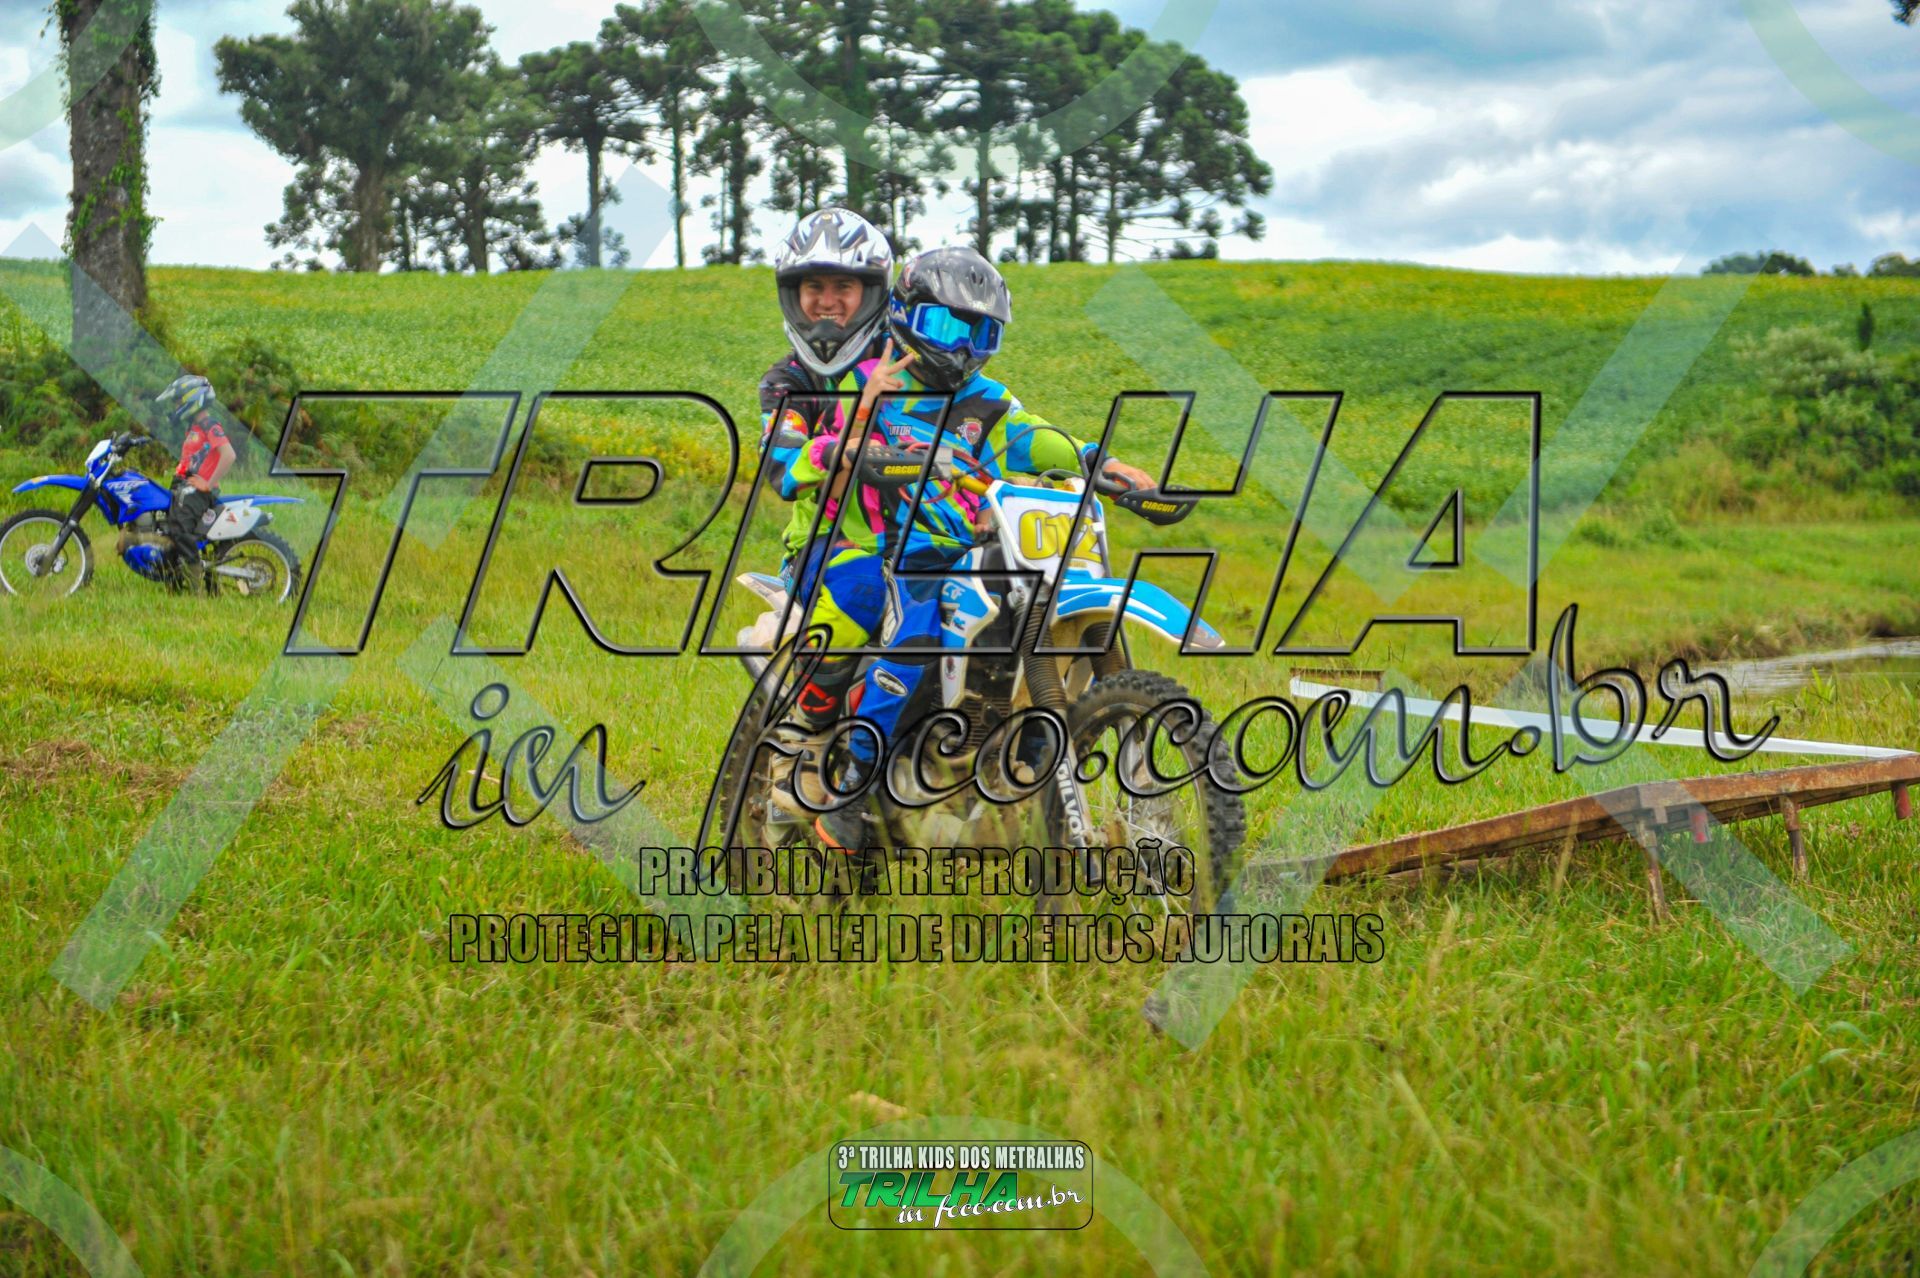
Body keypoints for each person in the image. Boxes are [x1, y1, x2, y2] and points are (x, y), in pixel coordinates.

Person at [793, 246, 1156, 853]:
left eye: (980, 332)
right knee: (915, 630)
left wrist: (1103, 463)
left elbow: (1040, 439)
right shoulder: (867, 379)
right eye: (945, 325)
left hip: (957, 546)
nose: (961, 346)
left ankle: (1024, 764)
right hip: (877, 546)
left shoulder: (988, 399)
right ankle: (856, 785)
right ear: (906, 315)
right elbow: (819, 450)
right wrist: (854, 442)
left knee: (1021, 617)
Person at [755, 207, 896, 738]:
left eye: (844, 286)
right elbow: (782, 465)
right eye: (813, 286)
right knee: (862, 587)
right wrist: (835, 449)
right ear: (794, 295)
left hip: (919, 534)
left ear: (872, 293)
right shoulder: (789, 381)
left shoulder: (906, 364)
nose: (827, 300)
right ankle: (809, 734)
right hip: (826, 544)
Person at [152, 373, 237, 590]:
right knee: (167, 529)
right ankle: (174, 582)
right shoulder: (194, 426)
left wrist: (208, 483)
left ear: (192, 399)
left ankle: (195, 584)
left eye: (178, 401)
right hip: (185, 487)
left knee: (179, 530)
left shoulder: (210, 425)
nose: (176, 406)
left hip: (199, 493)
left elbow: (229, 455)